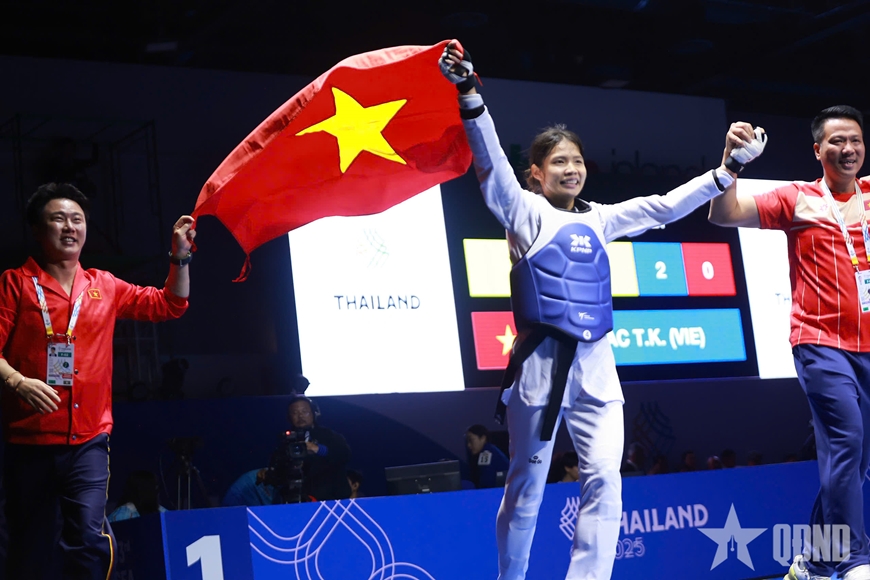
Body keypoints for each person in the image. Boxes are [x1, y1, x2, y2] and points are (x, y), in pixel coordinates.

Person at [439, 40, 765, 580]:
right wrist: (470, 94)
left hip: (597, 366)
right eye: (558, 162)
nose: (571, 169)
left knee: (606, 482)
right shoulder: (522, 212)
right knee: (526, 487)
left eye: (576, 160)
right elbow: (490, 161)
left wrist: (727, 170)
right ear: (535, 173)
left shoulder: (601, 219)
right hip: (540, 367)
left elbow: (664, 207)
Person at [0, 182, 195, 580]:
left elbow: (169, 304)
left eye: (77, 219)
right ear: (37, 229)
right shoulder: (15, 283)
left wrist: (180, 255)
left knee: (89, 539)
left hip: (88, 440)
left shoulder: (103, 285)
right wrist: (18, 382)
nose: (69, 227)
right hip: (29, 442)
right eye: (58, 219)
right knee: (30, 548)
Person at [709, 105, 870, 580]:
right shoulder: (797, 198)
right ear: (818, 150)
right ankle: (854, 558)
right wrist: (731, 163)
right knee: (846, 442)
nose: (848, 149)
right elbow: (723, 213)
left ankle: (814, 562)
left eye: (856, 140)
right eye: (837, 141)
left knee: (855, 463)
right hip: (820, 343)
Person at [283, 394, 352, 501]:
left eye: (304, 411)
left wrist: (318, 449)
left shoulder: (329, 435)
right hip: (297, 496)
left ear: (314, 413)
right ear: (289, 417)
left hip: (331, 497)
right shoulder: (286, 439)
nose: (300, 416)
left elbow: (344, 455)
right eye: (295, 413)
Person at [466, 424, 510, 489]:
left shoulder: (486, 453)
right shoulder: (491, 449)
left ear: (483, 438)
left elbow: (486, 483)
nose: (469, 445)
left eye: (471, 440)